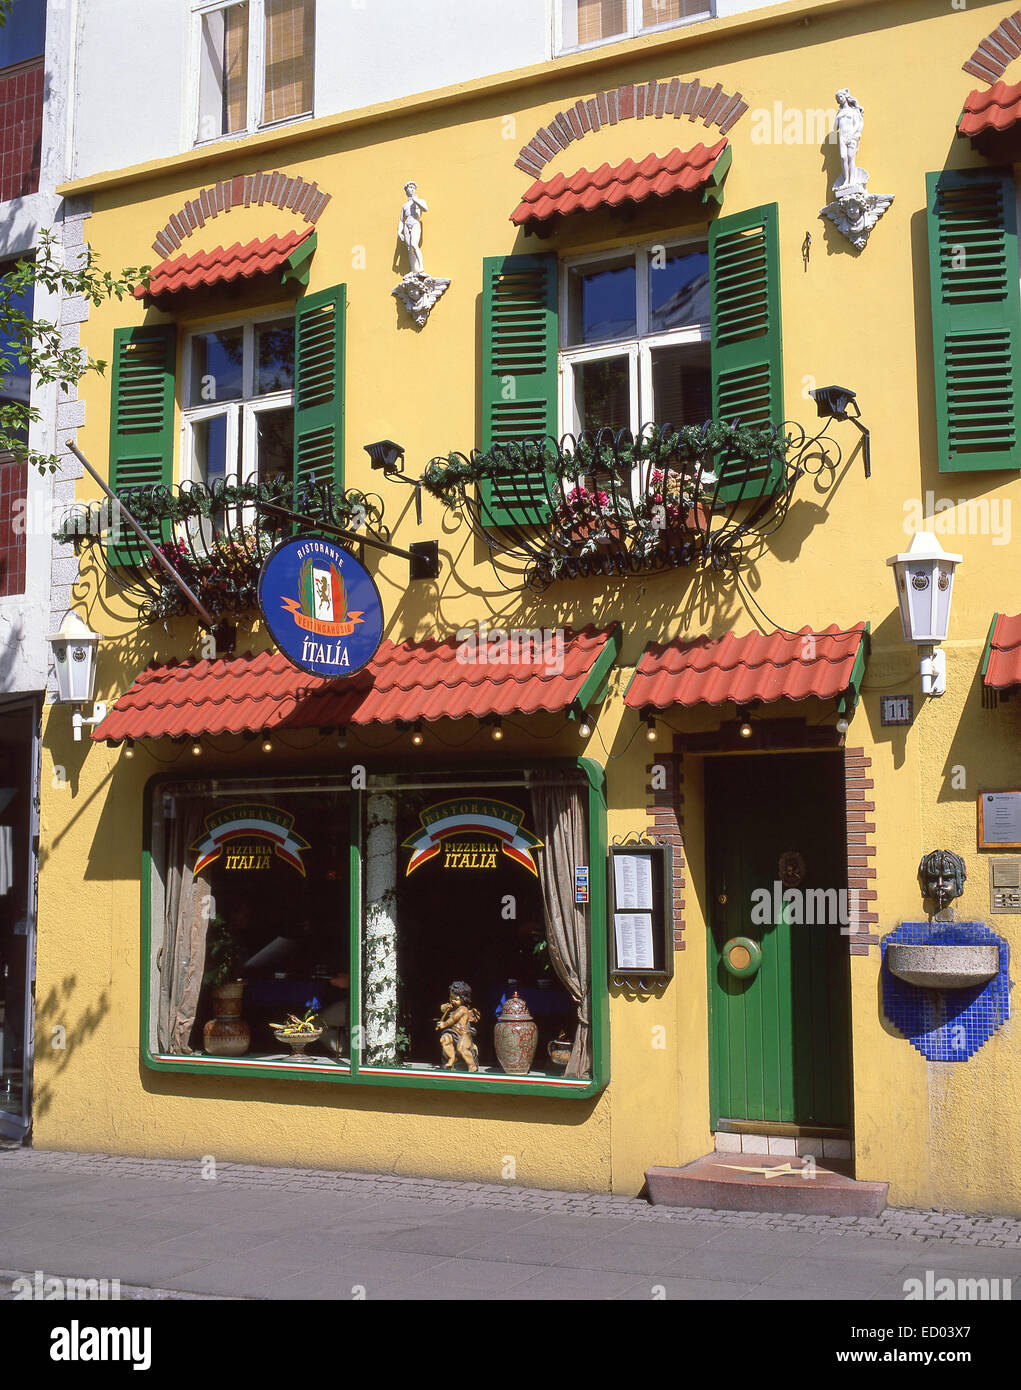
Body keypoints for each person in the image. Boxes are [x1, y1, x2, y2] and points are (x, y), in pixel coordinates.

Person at [832, 90, 866, 192]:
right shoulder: (840, 112)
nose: (839, 100)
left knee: (851, 156)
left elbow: (858, 124)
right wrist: (837, 118)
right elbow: (835, 128)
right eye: (838, 99)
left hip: (851, 136)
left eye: (841, 97)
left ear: (846, 97)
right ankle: (846, 180)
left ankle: (852, 179)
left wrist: (852, 134)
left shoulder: (853, 111)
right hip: (842, 137)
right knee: (843, 157)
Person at [398, 181, 428, 274]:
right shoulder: (405, 206)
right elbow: (401, 220)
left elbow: (425, 209)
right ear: (406, 190)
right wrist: (399, 231)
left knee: (414, 245)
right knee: (409, 248)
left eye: (413, 188)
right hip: (407, 225)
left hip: (415, 223)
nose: (412, 189)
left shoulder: (420, 201)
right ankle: (413, 270)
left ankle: (421, 268)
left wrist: (416, 201)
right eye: (410, 187)